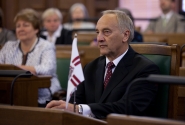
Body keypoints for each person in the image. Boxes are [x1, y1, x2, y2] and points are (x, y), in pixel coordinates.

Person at [46, 10, 160, 119]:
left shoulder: (145, 69)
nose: (99, 38)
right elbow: (75, 103)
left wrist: (80, 109)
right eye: (97, 32)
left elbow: (129, 108)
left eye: (106, 32)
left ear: (125, 35)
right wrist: (62, 107)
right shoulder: (90, 67)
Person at [0, 8, 61, 107]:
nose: (21, 29)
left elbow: (47, 69)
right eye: (18, 26)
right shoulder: (9, 46)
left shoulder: (46, 46)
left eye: (26, 25)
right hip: (9, 93)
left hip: (40, 95)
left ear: (36, 29)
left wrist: (15, 68)